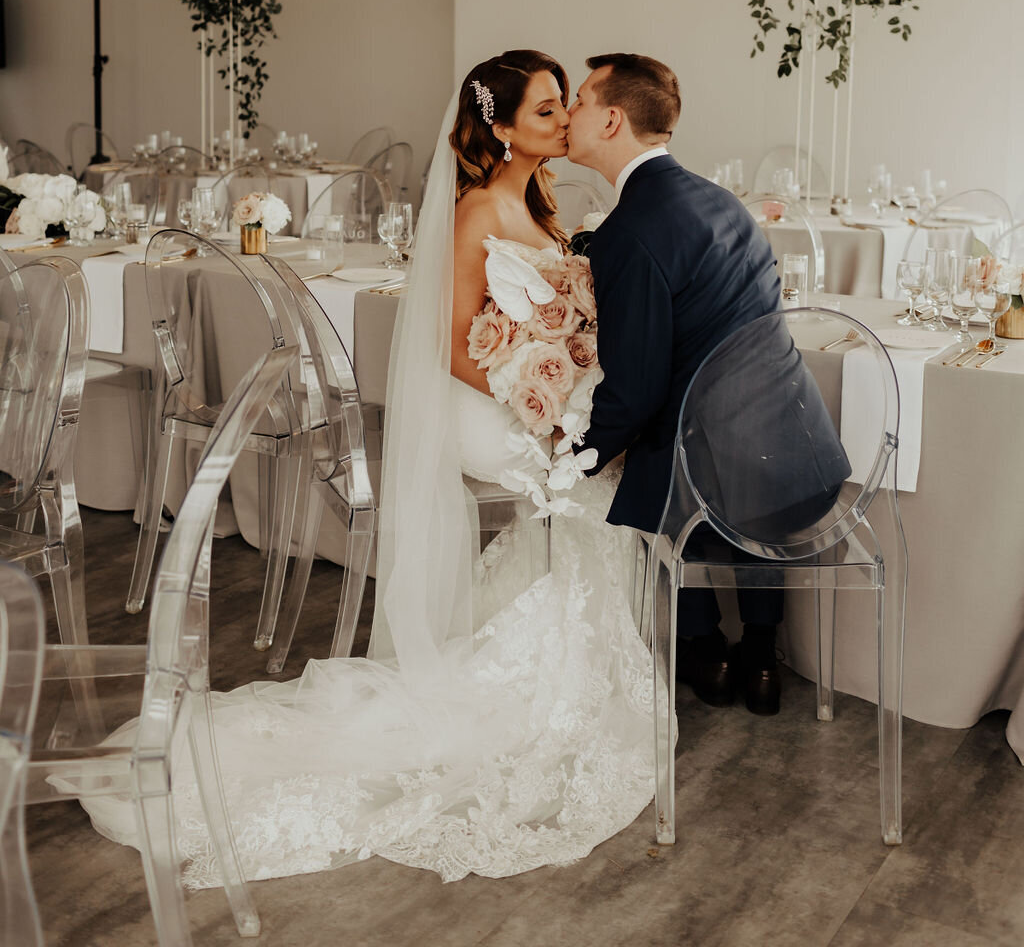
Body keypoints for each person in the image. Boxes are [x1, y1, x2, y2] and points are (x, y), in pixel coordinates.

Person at [80, 50, 657, 886]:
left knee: (590, 477)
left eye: (566, 105)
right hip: (485, 403)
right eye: (545, 110)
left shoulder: (543, 200)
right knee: (585, 485)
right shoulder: (475, 214)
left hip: (525, 393)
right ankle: (544, 679)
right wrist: (541, 412)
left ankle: (556, 661)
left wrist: (566, 379)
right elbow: (456, 348)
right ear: (499, 128)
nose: (564, 119)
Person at [567, 52, 795, 715]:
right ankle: (759, 656)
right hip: (781, 432)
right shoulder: (717, 199)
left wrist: (576, 453)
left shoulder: (632, 230)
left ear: (611, 120)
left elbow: (633, 392)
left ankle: (702, 646)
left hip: (698, 454)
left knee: (647, 444)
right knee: (691, 427)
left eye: (580, 100)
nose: (572, 113)